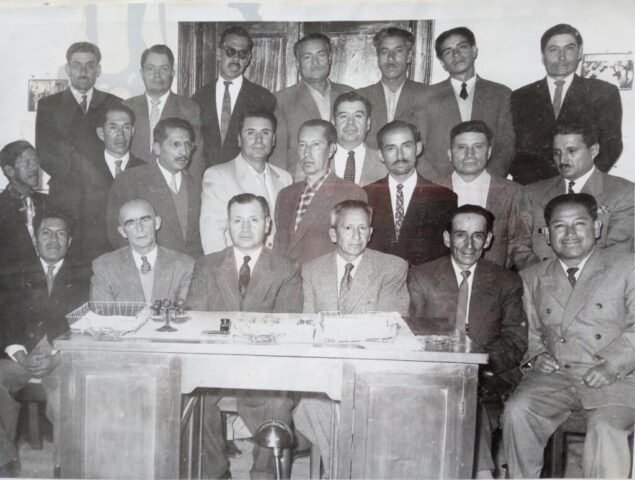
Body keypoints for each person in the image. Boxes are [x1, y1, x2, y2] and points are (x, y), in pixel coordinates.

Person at [503, 193, 635, 478]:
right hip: (557, 377)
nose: (570, 234)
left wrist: (612, 365)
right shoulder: (532, 277)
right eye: (560, 226)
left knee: (606, 428)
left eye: (579, 223)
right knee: (517, 411)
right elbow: (531, 332)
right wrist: (537, 356)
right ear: (547, 234)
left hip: (618, 378)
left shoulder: (628, 266)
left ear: (596, 227)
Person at [187, 193, 302, 480]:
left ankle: (264, 475)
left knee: (276, 403)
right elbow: (195, 320)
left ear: (268, 224)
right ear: (227, 224)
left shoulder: (286, 268)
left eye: (253, 220)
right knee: (193, 398)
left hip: (264, 366)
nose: (246, 228)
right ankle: (214, 474)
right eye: (237, 220)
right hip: (214, 365)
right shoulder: (206, 266)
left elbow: (285, 328)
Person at [408, 204, 527, 477]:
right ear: (447, 238)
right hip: (435, 374)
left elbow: (515, 338)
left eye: (477, 236)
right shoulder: (422, 276)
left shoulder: (506, 281)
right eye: (461, 235)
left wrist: (477, 365)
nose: (469, 245)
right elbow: (415, 332)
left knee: (470, 404)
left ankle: (479, 473)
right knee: (453, 405)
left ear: (488, 240)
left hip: (488, 377)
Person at [295, 199, 409, 471]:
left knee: (371, 409)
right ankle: (346, 470)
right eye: (348, 228)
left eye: (362, 228)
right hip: (327, 369)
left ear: (371, 233)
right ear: (333, 234)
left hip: (371, 369)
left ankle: (340, 471)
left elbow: (388, 327)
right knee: (312, 405)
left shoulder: (392, 267)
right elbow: (310, 326)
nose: (356, 236)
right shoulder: (312, 270)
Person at [0, 212, 89, 477]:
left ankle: (64, 467)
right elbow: (5, 319)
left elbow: (87, 325)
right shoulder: (13, 274)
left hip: (61, 358)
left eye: (61, 234)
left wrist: (57, 357)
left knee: (68, 393)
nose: (53, 240)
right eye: (46, 233)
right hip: (20, 358)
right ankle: (4, 461)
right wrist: (20, 355)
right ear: (34, 238)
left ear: (69, 241)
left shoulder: (86, 276)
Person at [509, 121, 633, 271]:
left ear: (593, 150)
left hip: (598, 281)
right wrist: (543, 275)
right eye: (557, 153)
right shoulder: (532, 193)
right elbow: (519, 244)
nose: (563, 160)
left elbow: (618, 251)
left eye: (572, 151)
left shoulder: (623, 192)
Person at [510, 24, 623, 184]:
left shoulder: (603, 92)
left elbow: (611, 145)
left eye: (569, 49)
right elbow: (511, 149)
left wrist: (580, 182)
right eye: (553, 50)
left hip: (582, 188)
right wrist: (536, 187)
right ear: (543, 56)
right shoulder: (520, 97)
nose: (562, 57)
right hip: (533, 188)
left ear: (579, 52)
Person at [48, 103, 145, 264]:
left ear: (133, 131)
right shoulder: (80, 170)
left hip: (133, 258)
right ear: (101, 133)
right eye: (113, 128)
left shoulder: (145, 170)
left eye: (126, 127)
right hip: (90, 259)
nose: (120, 134)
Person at [419, 27, 514, 182]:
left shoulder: (500, 94)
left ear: (474, 51)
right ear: (442, 63)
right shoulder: (426, 97)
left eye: (462, 46)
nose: (456, 54)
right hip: (440, 185)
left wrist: (488, 181)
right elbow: (418, 149)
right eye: (448, 51)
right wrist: (437, 185)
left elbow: (507, 145)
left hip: (488, 184)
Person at [107, 117, 203, 259]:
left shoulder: (197, 184)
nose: (183, 152)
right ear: (157, 148)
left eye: (187, 145)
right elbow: (118, 234)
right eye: (176, 144)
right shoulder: (130, 180)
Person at [364, 120, 457, 266]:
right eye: (391, 148)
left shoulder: (444, 198)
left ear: (418, 148)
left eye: (406, 146)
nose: (400, 155)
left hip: (424, 279)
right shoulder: (366, 195)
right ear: (381, 155)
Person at [199, 110, 292, 254]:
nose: (259, 140)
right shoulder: (218, 175)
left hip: (276, 265)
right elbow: (212, 236)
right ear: (239, 139)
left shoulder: (285, 178)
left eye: (265, 132)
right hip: (238, 266)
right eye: (251, 133)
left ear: (273, 139)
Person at [274, 119, 366, 264]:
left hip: (324, 277)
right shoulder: (285, 195)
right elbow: (279, 247)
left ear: (331, 149)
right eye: (302, 145)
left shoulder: (350, 193)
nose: (307, 153)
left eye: (316, 145)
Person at [436, 120, 521, 268]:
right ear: (450, 154)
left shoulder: (513, 192)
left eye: (478, 147)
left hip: (495, 276)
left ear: (489, 152)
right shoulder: (432, 189)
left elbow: (517, 242)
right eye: (462, 147)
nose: (470, 154)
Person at [35, 42, 122, 181]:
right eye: (77, 65)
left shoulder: (114, 104)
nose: (83, 71)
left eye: (90, 65)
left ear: (98, 70)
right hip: (64, 188)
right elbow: (44, 153)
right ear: (68, 69)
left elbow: (121, 149)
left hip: (103, 187)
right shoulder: (49, 105)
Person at [192, 26, 276, 168]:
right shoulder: (198, 98)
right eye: (230, 51)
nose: (236, 58)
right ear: (219, 54)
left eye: (242, 54)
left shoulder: (263, 98)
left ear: (248, 59)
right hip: (207, 177)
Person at [271, 33, 353, 174]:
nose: (315, 63)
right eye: (307, 57)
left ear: (330, 58)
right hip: (301, 179)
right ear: (298, 64)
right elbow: (277, 156)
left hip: (345, 177)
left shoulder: (349, 94)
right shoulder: (282, 100)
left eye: (320, 55)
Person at [124, 44, 204, 178]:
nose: (157, 75)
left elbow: (195, 159)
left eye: (164, 69)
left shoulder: (189, 108)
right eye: (150, 69)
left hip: (172, 184)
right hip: (133, 181)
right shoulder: (127, 107)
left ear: (172, 73)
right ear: (142, 73)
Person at [90, 199, 194, 303]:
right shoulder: (104, 266)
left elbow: (187, 309)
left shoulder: (184, 265)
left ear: (157, 223)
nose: (139, 228)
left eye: (145, 220)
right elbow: (102, 312)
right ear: (123, 232)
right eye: (130, 223)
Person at [356, 27, 428, 151]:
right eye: (384, 52)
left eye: (398, 51)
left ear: (409, 56)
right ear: (378, 59)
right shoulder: (360, 97)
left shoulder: (428, 95)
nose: (390, 58)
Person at [0, 141, 49, 272]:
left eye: (36, 162)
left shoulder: (48, 202)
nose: (35, 168)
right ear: (10, 171)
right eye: (27, 163)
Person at [331, 91, 387, 186]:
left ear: (368, 123)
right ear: (333, 123)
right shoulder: (319, 160)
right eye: (343, 116)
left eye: (358, 116)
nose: (350, 122)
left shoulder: (384, 163)